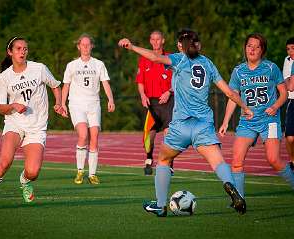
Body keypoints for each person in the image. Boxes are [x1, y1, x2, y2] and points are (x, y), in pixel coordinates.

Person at [118, 29, 253, 217]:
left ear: (180, 46)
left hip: (181, 125)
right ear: (199, 45)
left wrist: (132, 46)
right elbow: (230, 92)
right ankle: (232, 189)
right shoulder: (208, 64)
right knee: (218, 162)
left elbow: (155, 58)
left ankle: (161, 205)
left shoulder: (180, 59)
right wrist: (245, 108)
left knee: (163, 160)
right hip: (203, 125)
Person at [0, 37, 63, 210]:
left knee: (33, 172)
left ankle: (24, 180)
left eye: (25, 49)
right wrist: (14, 105)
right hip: (14, 123)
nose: (22, 51)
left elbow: (55, 86)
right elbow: (1, 108)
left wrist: (59, 103)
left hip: (36, 127)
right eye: (18, 48)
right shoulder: (4, 77)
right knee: (4, 162)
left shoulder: (39, 69)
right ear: (10, 52)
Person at [219, 33, 294, 199]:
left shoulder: (271, 68)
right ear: (245, 48)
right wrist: (225, 122)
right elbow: (233, 97)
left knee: (273, 159)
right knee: (236, 160)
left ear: (262, 50)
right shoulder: (238, 71)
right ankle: (239, 199)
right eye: (249, 46)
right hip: (247, 121)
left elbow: (284, 93)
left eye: (256, 46)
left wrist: (275, 106)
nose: (252, 49)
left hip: (269, 120)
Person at [61, 33, 115, 185]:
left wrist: (110, 99)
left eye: (88, 44)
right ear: (78, 46)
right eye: (82, 44)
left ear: (92, 46)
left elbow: (105, 83)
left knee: (95, 136)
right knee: (83, 134)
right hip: (77, 104)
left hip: (93, 104)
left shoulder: (98, 64)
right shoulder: (71, 65)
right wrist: (62, 103)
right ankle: (79, 171)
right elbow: (66, 85)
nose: (85, 47)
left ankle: (92, 174)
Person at [136, 30, 174, 175]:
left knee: (168, 135)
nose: (155, 42)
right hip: (151, 103)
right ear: (150, 41)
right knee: (149, 137)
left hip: (167, 102)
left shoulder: (170, 58)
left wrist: (168, 92)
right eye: (153, 39)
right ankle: (149, 159)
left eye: (158, 39)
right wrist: (142, 95)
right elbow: (140, 82)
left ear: (163, 40)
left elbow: (177, 81)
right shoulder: (144, 58)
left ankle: (170, 164)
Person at [283, 37, 294, 170]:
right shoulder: (288, 61)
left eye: (293, 48)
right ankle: (292, 160)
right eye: (288, 49)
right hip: (292, 101)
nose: (290, 51)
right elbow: (289, 86)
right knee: (290, 137)